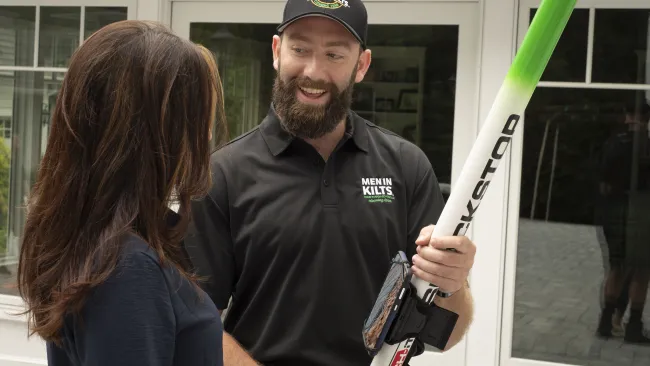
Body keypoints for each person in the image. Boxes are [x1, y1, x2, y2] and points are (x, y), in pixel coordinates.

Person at [185, 0, 476, 364]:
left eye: (335, 55)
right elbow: (193, 322)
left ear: (362, 65)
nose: (314, 71)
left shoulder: (406, 167)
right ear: (277, 51)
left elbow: (446, 334)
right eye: (300, 49)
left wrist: (452, 284)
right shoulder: (224, 174)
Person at [16, 20, 228, 365]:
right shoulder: (126, 267)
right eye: (194, 119)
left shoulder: (101, 241)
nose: (203, 138)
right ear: (154, 135)